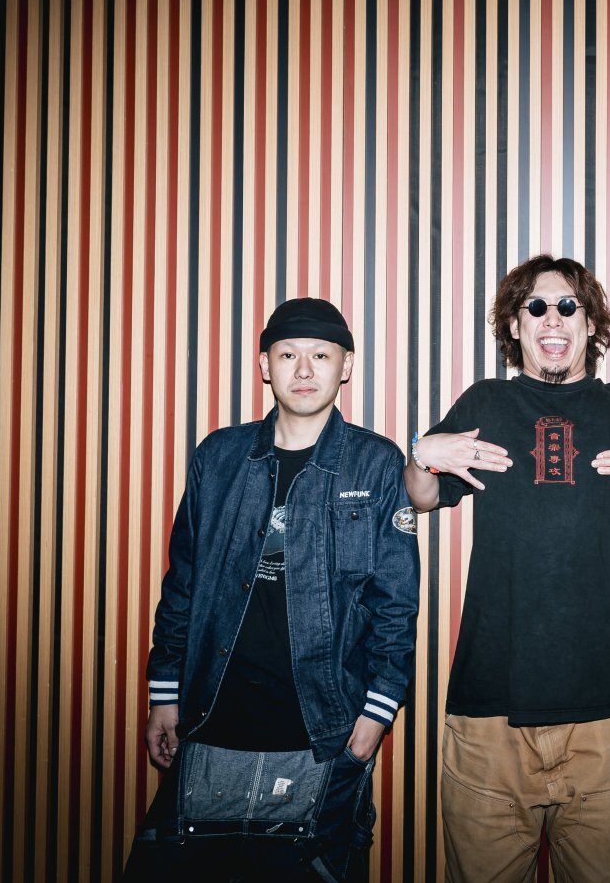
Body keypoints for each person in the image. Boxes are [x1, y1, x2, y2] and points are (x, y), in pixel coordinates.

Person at [407, 255, 610, 883]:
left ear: (590, 324)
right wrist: (423, 454)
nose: (552, 320)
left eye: (567, 307)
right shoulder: (486, 402)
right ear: (515, 325)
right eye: (535, 307)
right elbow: (422, 497)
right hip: (489, 713)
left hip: (601, 717)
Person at [124, 298, 421, 882]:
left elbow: (396, 602)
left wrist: (375, 717)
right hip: (209, 724)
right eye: (288, 355)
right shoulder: (219, 456)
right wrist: (164, 693)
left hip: (322, 734)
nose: (304, 370)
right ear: (265, 365)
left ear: (346, 366)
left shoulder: (375, 464)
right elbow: (182, 581)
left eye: (321, 356)